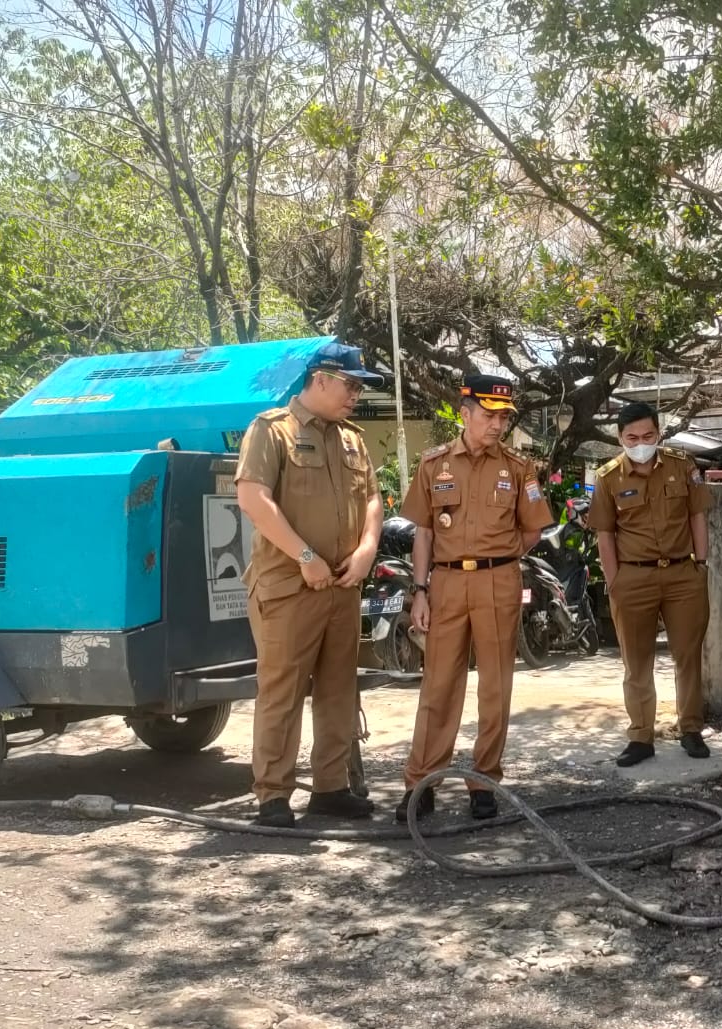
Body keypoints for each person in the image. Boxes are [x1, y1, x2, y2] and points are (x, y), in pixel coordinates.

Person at [234, 343, 384, 827]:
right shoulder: (271, 430)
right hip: (288, 586)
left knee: (340, 690)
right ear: (320, 378)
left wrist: (365, 551)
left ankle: (331, 787)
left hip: (342, 585)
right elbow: (253, 498)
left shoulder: (352, 439)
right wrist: (305, 556)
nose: (357, 394)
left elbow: (374, 501)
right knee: (283, 691)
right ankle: (273, 795)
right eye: (351, 384)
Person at [396, 373, 552, 821]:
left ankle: (485, 780)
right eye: (489, 416)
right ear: (464, 415)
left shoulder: (519, 469)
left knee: (495, 686)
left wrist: (500, 560)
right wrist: (420, 591)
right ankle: (421, 783)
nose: (498, 425)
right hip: (444, 583)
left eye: (503, 417)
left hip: (498, 583)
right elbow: (422, 534)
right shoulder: (433, 465)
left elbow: (533, 529)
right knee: (438, 686)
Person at [587, 401, 713, 766]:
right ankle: (641, 735)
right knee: (636, 660)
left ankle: (690, 729)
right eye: (632, 437)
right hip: (633, 577)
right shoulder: (609, 476)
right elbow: (605, 534)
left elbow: (697, 517)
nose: (641, 442)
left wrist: (701, 565)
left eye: (648, 435)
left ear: (659, 433)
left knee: (688, 655)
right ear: (620, 438)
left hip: (682, 575)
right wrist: (615, 581)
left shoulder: (682, 466)